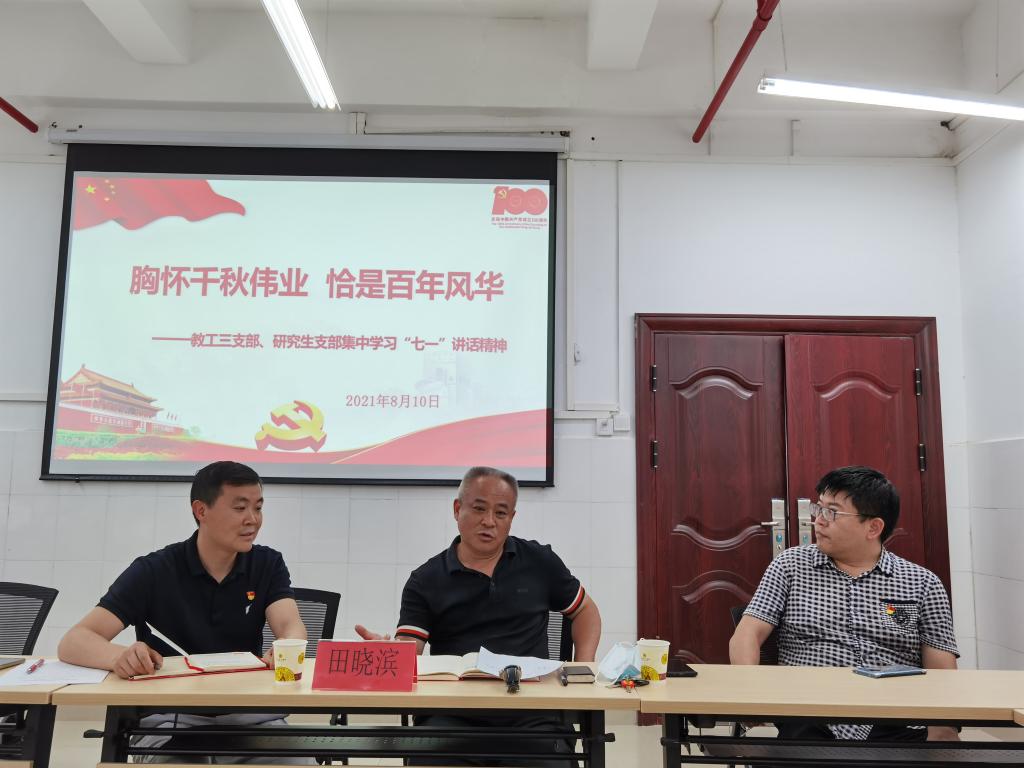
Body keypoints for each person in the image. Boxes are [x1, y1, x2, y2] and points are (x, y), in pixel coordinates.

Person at [58, 460, 309, 764]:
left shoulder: (267, 564)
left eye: (258, 508)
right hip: (170, 718)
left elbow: (290, 625)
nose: (253, 520)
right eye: (240, 508)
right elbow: (75, 641)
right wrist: (119, 657)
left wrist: (286, 645)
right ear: (201, 510)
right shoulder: (154, 570)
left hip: (250, 715)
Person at [356, 465, 602, 766]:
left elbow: (585, 611)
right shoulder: (426, 579)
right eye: (479, 508)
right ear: (457, 509)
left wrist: (582, 668)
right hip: (452, 715)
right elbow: (410, 649)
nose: (489, 521)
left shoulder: (540, 562)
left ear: (511, 518)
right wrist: (390, 654)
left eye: (501, 513)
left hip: (532, 713)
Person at [729, 465, 959, 742]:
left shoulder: (922, 583)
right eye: (819, 508)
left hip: (895, 719)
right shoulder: (790, 566)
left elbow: (941, 668)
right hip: (808, 715)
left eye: (832, 512)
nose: (818, 521)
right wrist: (749, 694)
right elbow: (747, 634)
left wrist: (942, 725)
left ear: (873, 527)